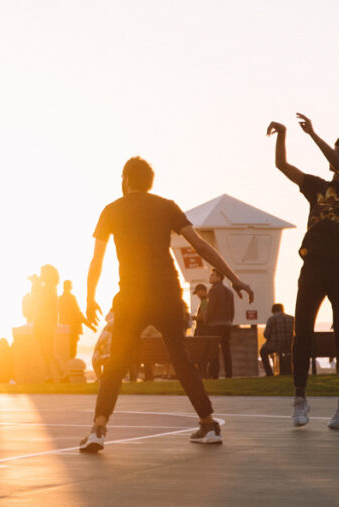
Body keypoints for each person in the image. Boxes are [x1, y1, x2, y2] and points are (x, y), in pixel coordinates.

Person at [79, 157, 253, 453]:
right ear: (150, 182)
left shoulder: (111, 210)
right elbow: (199, 245)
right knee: (181, 359)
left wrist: (89, 297)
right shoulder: (166, 206)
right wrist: (235, 279)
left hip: (132, 296)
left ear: (125, 179)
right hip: (167, 293)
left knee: (117, 363)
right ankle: (208, 424)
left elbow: (97, 259)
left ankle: (98, 429)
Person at [268, 113, 339, 429]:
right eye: (334, 152)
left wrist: (313, 135)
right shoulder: (316, 187)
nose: (334, 158)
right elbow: (282, 167)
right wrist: (284, 136)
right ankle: (299, 399)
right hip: (312, 267)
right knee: (303, 334)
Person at [32, 265, 64, 382]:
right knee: (46, 351)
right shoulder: (49, 288)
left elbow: (40, 303)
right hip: (45, 323)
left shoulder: (48, 288)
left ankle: (61, 373)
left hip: (45, 323)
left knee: (48, 351)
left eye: (42, 273)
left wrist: (36, 285)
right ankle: (50, 375)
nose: (40, 275)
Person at [205, 269, 235, 379]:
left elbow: (210, 308)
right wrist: (229, 321)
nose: (210, 277)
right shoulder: (229, 292)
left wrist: (206, 320)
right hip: (226, 324)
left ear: (219, 277)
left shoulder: (213, 291)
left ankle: (214, 373)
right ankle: (229, 373)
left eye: (212, 275)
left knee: (214, 350)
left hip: (214, 325)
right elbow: (232, 311)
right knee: (226, 349)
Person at [58, 279, 93, 360]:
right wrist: (90, 325)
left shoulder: (59, 299)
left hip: (62, 329)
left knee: (64, 352)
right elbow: (78, 314)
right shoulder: (71, 298)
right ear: (70, 287)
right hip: (72, 329)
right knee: (72, 352)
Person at [260, 304, 295, 377]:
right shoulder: (292, 318)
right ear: (282, 309)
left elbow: (266, 335)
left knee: (263, 351)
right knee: (286, 351)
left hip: (276, 345)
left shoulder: (271, 319)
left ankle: (269, 373)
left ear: (273, 311)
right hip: (290, 345)